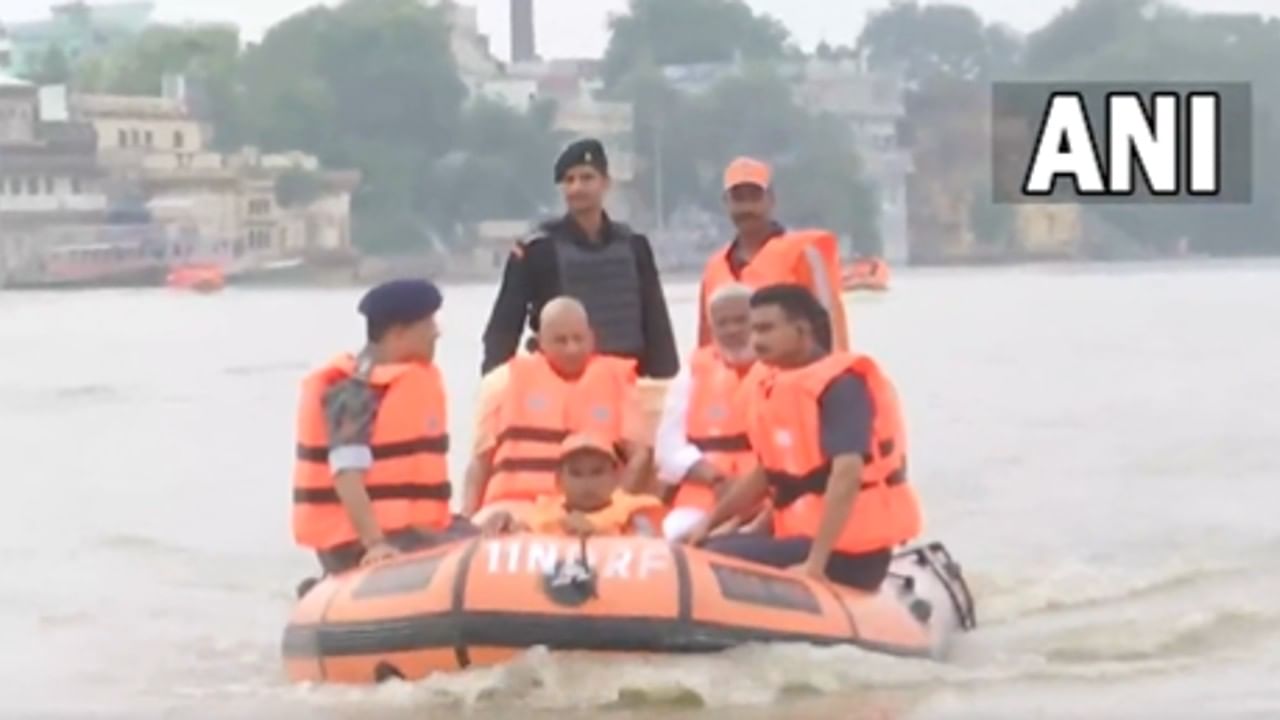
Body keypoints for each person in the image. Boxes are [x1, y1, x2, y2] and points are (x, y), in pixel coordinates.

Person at [683, 283, 922, 592]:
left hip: (850, 552)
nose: (756, 340)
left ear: (800, 330)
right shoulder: (777, 383)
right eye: (754, 330)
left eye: (767, 329)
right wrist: (708, 523)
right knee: (702, 546)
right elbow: (767, 474)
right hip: (800, 536)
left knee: (714, 557)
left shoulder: (840, 386)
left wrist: (815, 564)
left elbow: (846, 476)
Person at [292, 279, 477, 576]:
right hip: (358, 542)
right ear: (399, 333)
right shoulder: (355, 392)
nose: (436, 333)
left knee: (493, 539)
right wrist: (374, 543)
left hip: (410, 531)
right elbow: (346, 474)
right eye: (428, 324)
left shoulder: (402, 381)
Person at [481, 137, 679, 379]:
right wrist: (492, 385)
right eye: (569, 180)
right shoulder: (537, 250)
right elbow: (504, 327)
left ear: (605, 183)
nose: (577, 188)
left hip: (626, 382)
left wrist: (665, 383)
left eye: (586, 178)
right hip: (559, 385)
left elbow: (656, 322)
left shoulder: (633, 246)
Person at [464, 296, 652, 524]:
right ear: (540, 342)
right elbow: (480, 462)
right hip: (515, 505)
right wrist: (467, 520)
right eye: (560, 341)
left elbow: (640, 456)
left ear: (592, 338)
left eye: (578, 339)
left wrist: (612, 509)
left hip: (594, 508)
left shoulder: (617, 382)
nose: (571, 348)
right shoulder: (503, 381)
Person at [697, 156, 850, 353]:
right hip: (734, 380)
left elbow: (829, 324)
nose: (747, 208)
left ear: (771, 199)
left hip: (790, 376)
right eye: (738, 198)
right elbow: (706, 341)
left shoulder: (803, 254)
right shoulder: (714, 268)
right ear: (726, 203)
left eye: (754, 197)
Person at [654, 282, 765, 540]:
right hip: (702, 496)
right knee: (674, 531)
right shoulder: (694, 369)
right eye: (723, 323)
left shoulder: (782, 369)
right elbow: (667, 449)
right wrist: (716, 479)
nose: (733, 330)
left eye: (741, 320)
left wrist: (746, 493)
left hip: (766, 500)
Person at [482, 433, 664, 537]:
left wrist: (597, 534)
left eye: (597, 472)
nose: (587, 483)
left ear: (615, 476)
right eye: (576, 474)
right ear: (559, 480)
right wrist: (505, 526)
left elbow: (652, 548)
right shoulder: (542, 512)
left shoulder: (638, 509)